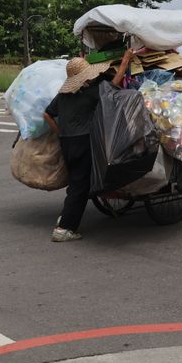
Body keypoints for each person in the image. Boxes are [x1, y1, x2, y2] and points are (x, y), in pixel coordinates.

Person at [44, 48, 135, 242]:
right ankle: (64, 228)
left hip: (67, 142)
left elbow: (47, 114)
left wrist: (60, 132)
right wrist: (126, 60)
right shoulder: (90, 93)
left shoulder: (63, 95)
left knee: (75, 182)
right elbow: (114, 83)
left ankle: (67, 215)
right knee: (80, 186)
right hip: (83, 141)